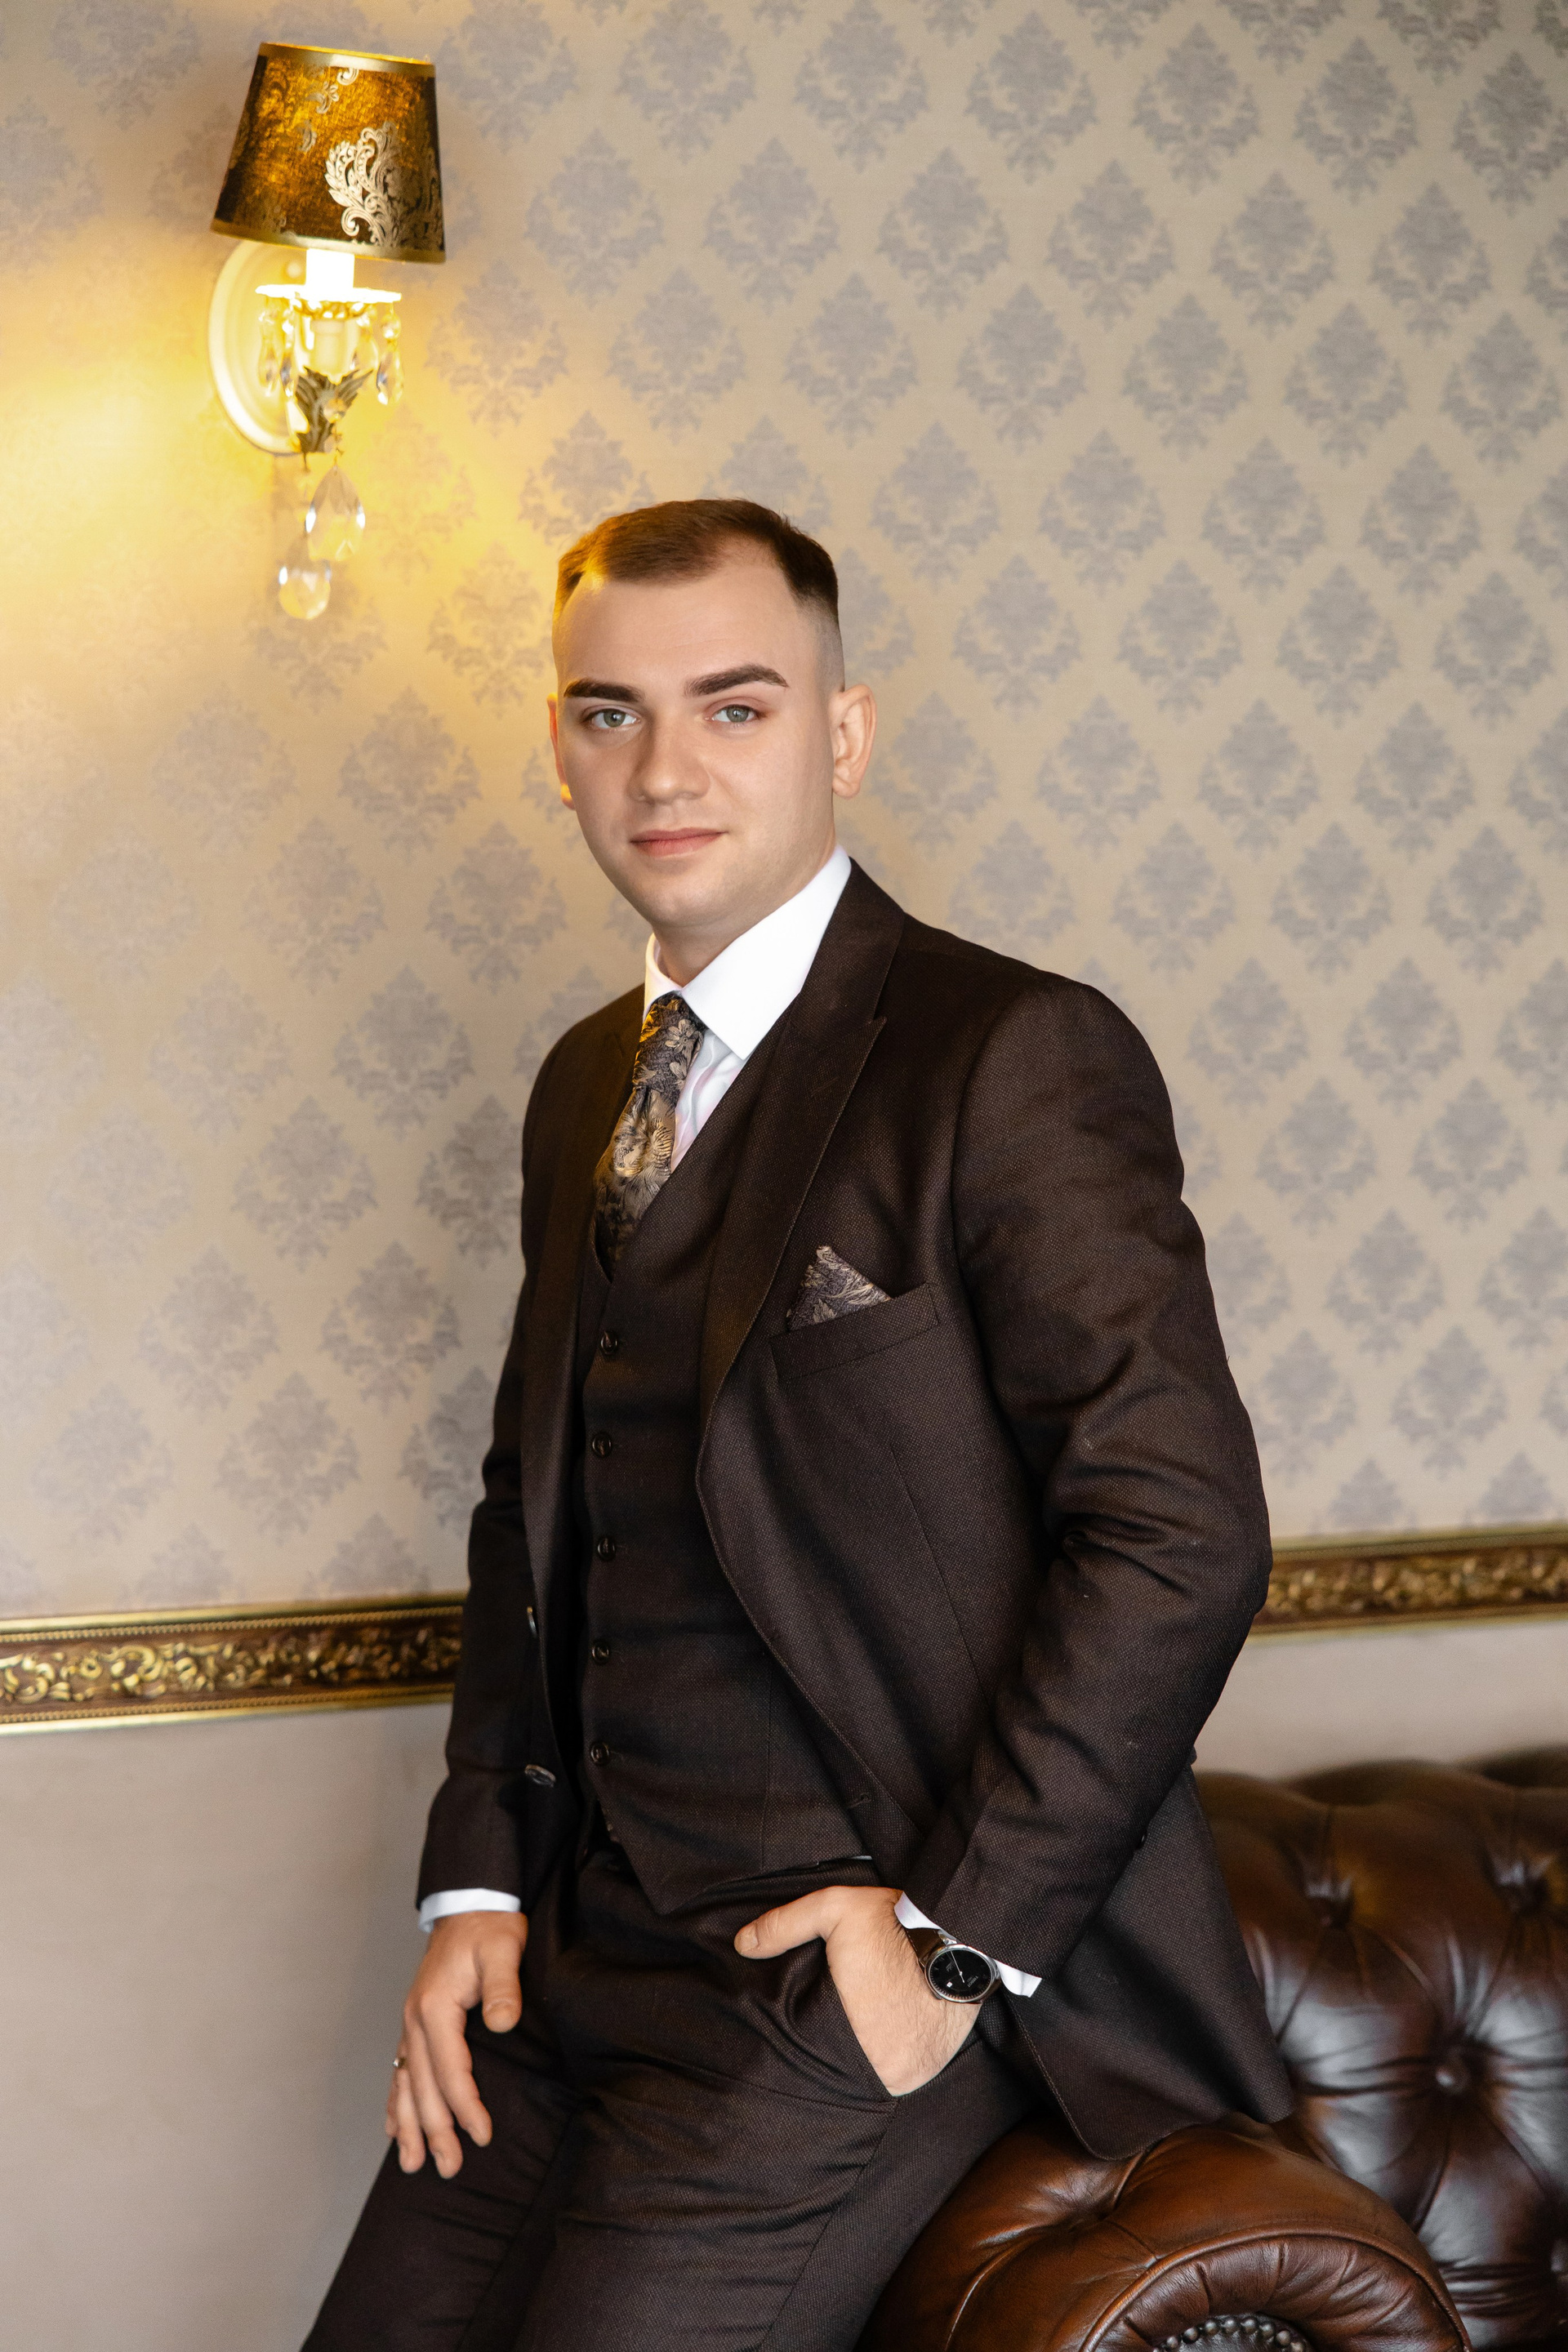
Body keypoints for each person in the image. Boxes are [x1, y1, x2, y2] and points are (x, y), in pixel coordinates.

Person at [305, 498, 1290, 2352]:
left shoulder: (1011, 1054)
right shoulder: (583, 1085)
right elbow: (534, 1504)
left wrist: (945, 1948)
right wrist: (479, 1880)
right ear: (558, 746)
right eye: (609, 713)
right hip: (568, 1958)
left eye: (736, 707)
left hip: (825, 1982)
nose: (664, 769)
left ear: (844, 733)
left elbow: (1179, 1529)